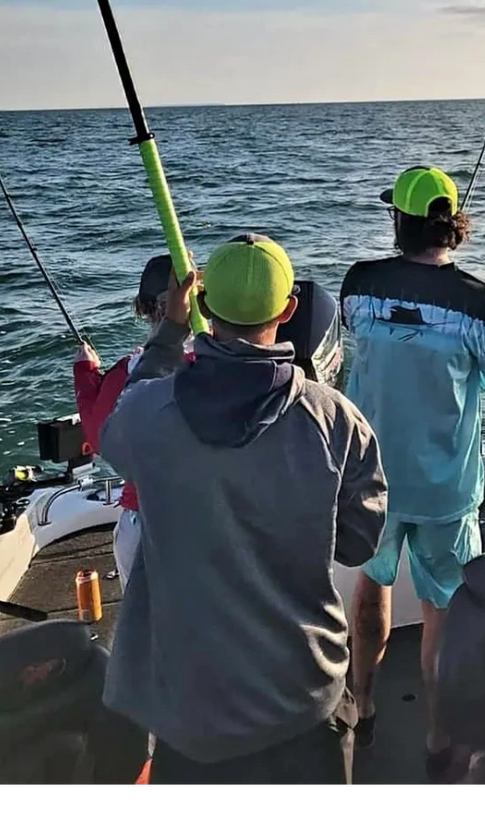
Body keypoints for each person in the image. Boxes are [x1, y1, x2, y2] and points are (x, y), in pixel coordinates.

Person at [99, 233, 387, 787]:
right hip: (307, 701)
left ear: (202, 308)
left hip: (191, 717)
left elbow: (114, 437)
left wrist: (167, 338)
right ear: (289, 311)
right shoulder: (338, 420)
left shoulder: (149, 411)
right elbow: (357, 543)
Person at [340, 166, 485, 784]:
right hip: (446, 488)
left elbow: (353, 347)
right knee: (444, 608)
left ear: (399, 221)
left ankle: (362, 704)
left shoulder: (358, 287)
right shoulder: (480, 302)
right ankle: (440, 735)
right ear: (451, 224)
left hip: (369, 480)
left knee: (372, 590)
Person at [73, 254, 194, 591]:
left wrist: (85, 373)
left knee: (144, 632)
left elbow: (101, 439)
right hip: (207, 523)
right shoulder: (217, 365)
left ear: (142, 307)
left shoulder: (126, 374)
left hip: (141, 523)